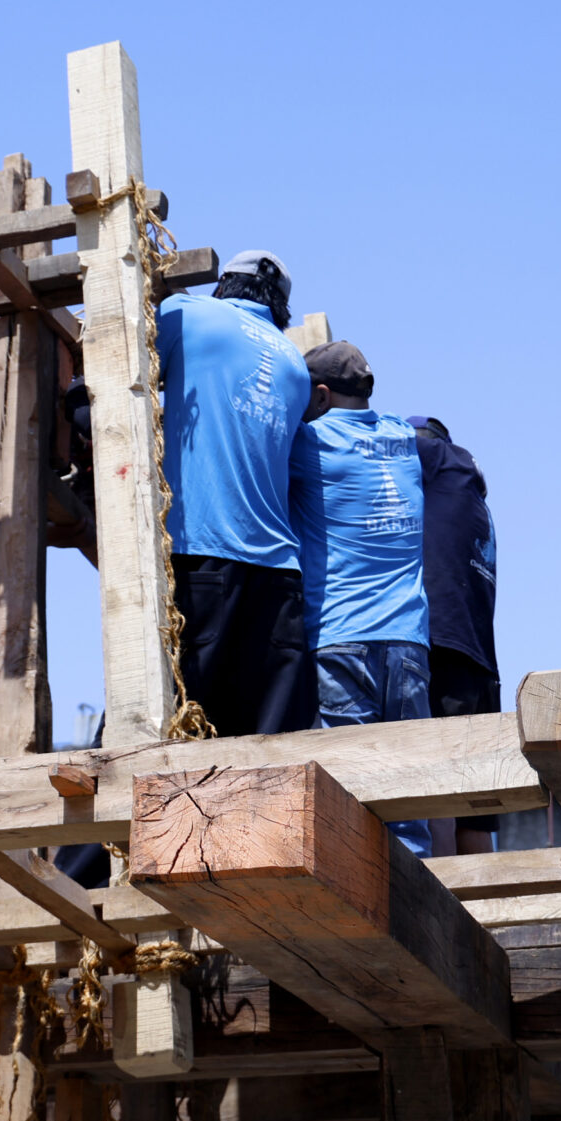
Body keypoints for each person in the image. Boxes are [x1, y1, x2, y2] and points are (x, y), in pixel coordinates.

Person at [156, 249, 315, 736]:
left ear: (223, 283)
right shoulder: (297, 367)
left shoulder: (187, 313)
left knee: (179, 726)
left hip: (203, 556)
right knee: (261, 749)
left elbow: (111, 366)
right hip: (279, 577)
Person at [287, 340, 430, 854]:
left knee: (351, 792)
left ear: (320, 395)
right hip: (409, 641)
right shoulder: (402, 438)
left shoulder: (310, 442)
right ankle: (420, 912)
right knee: (409, 795)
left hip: (341, 635)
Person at [410, 414, 500, 857]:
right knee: (476, 810)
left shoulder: (440, 461)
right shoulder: (476, 503)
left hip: (441, 650)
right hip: (482, 667)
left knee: (439, 794)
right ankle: (489, 920)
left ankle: (440, 919)